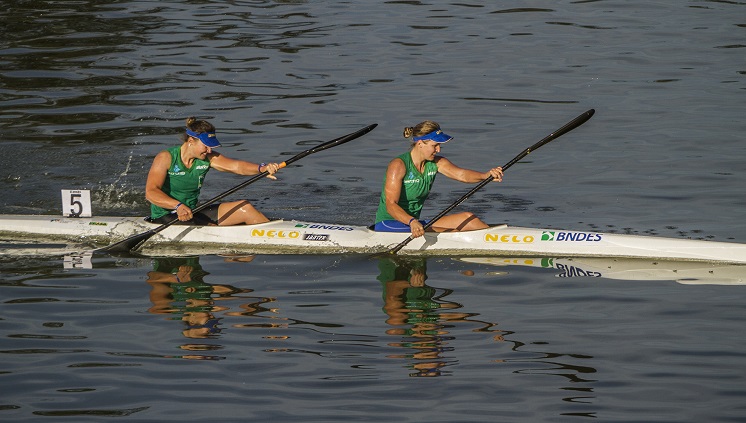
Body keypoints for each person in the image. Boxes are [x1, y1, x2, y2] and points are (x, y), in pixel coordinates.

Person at [374, 120, 504, 237]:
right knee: (453, 234)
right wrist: (412, 221)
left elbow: (461, 175)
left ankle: (499, 241)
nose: (438, 149)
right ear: (420, 144)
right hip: (389, 224)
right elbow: (390, 205)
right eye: (435, 145)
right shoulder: (398, 165)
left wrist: (485, 176)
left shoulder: (435, 163)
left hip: (414, 223)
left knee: (469, 218)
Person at [146, 117, 282, 225]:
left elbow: (237, 167)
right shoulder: (166, 157)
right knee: (210, 226)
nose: (209, 151)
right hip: (166, 216)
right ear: (191, 141)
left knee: (245, 207)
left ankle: (274, 237)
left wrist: (262, 168)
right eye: (205, 146)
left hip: (192, 212)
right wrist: (178, 206)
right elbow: (151, 192)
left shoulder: (206, 158)